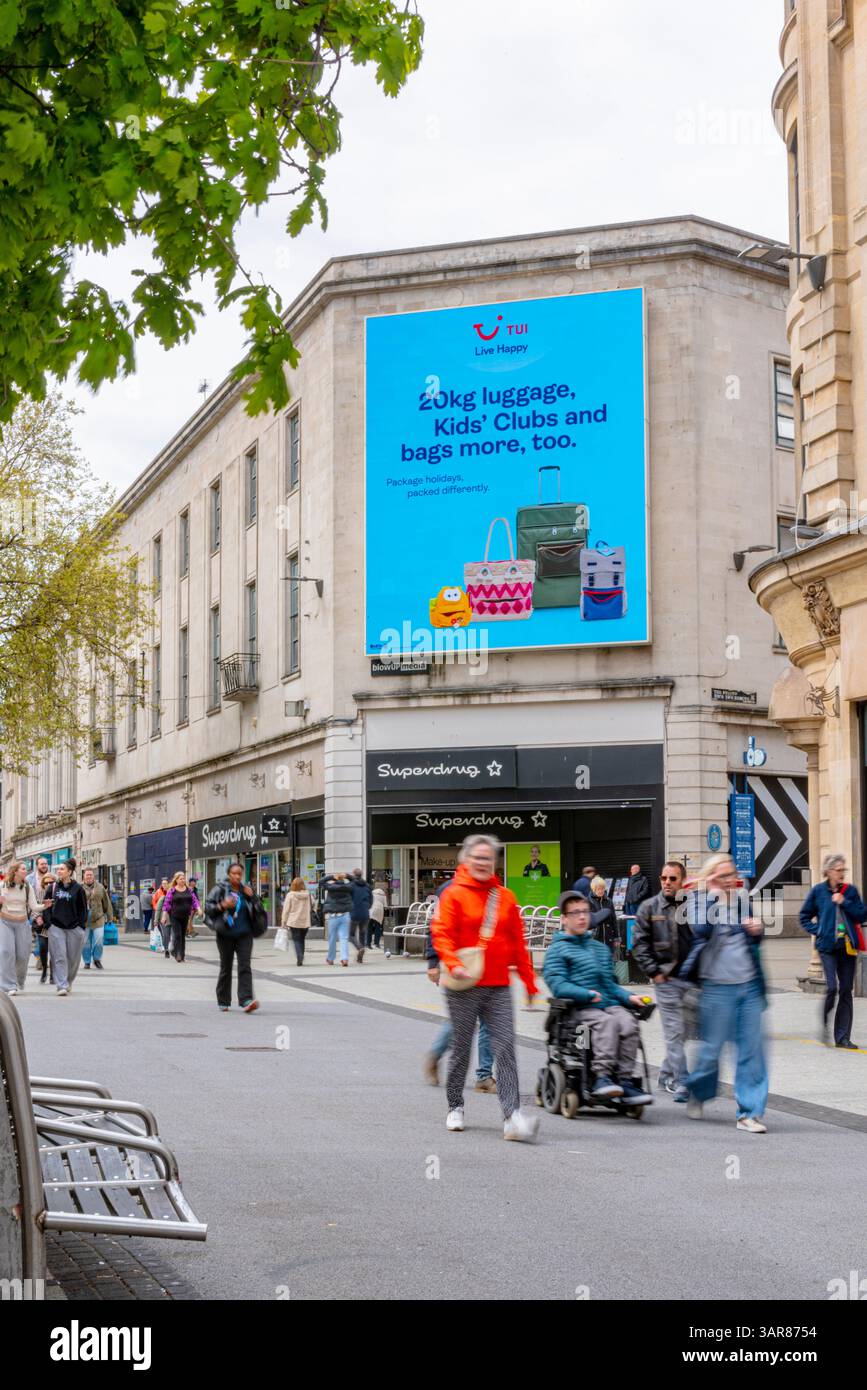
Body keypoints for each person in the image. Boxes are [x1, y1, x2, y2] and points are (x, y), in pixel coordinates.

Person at [431, 833, 540, 1141]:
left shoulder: (505, 897)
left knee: (505, 1049)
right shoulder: (452, 895)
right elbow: (441, 932)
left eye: (487, 858)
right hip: (463, 984)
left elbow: (518, 943)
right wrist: (452, 963)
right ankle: (455, 1105)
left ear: (494, 862)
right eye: (477, 858)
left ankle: (512, 1115)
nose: (482, 863)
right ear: (465, 860)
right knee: (462, 1049)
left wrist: (529, 981)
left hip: (499, 986)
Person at [679, 854, 768, 1132]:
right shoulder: (698, 901)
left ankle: (749, 1113)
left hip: (749, 985)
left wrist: (757, 930)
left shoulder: (742, 900)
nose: (730, 880)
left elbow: (754, 935)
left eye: (732, 875)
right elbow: (700, 931)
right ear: (711, 877)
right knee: (711, 1052)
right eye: (723, 875)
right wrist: (713, 897)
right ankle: (698, 1091)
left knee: (751, 1051)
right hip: (716, 987)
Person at [543, 890, 652, 1103]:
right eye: (575, 913)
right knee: (608, 1022)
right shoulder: (557, 950)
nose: (582, 917)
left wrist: (629, 997)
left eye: (585, 912)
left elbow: (610, 985)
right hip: (577, 1010)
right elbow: (558, 984)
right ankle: (602, 1077)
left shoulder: (600, 949)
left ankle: (625, 1080)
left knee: (628, 1021)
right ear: (564, 918)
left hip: (606, 1004)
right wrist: (584, 994)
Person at [633, 860, 692, 1098]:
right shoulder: (649, 907)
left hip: (690, 980)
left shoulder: (693, 907)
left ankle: (666, 1073)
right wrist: (654, 972)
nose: (666, 883)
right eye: (663, 878)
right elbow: (638, 944)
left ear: (682, 881)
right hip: (665, 979)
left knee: (685, 1031)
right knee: (674, 1032)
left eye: (672, 879)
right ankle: (682, 1082)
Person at [799, 853, 866, 1049]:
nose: (842, 874)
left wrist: (844, 901)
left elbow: (862, 914)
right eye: (839, 871)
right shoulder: (818, 892)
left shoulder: (851, 891)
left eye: (844, 870)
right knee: (832, 988)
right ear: (828, 872)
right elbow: (804, 917)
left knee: (846, 990)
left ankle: (842, 1037)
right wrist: (818, 931)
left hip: (847, 947)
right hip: (827, 947)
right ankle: (825, 1020)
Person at [205, 862, 260, 1013]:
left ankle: (246, 1000)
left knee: (245, 966)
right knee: (226, 966)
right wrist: (223, 905)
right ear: (229, 874)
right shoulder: (219, 889)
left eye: (239, 874)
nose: (237, 876)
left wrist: (253, 897)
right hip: (225, 934)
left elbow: (258, 909)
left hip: (244, 934)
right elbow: (208, 908)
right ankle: (223, 1000)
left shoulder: (246, 891)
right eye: (234, 873)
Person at [0, 860, 43, 995]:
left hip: (23, 923)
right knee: (6, 952)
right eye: (23, 869)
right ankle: (8, 985)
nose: (26, 871)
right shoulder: (3, 885)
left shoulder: (27, 886)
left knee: (23, 955)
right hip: (5, 922)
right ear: (15, 871)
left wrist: (45, 906)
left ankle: (19, 981)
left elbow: (34, 906)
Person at [48, 858, 88, 997]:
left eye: (62, 869)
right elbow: (47, 906)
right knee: (59, 957)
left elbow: (83, 909)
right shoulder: (52, 887)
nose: (59, 871)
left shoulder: (78, 889)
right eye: (58, 869)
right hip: (56, 926)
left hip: (74, 928)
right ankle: (61, 985)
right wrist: (49, 923)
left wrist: (81, 926)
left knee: (73, 958)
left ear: (69, 872)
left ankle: (68, 980)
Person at [160, 872, 201, 962]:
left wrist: (199, 909)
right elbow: (166, 904)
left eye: (183, 878)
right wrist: (164, 916)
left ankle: (182, 955)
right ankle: (178, 954)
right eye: (181, 878)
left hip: (185, 916)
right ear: (176, 880)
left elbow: (195, 901)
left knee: (182, 936)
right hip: (175, 916)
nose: (183, 880)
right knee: (177, 935)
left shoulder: (189, 890)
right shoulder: (172, 891)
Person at [81, 867, 114, 971]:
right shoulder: (79, 888)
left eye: (91, 875)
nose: (89, 876)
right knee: (85, 942)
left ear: (93, 876)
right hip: (84, 920)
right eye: (87, 875)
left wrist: (109, 916)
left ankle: (97, 959)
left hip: (98, 918)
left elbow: (106, 902)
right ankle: (87, 962)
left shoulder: (100, 887)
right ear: (84, 876)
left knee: (99, 939)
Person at [320, 871, 354, 966]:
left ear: (335, 879)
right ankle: (344, 959)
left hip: (334, 916)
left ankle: (330, 959)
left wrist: (331, 876)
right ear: (343, 879)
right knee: (344, 938)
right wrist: (347, 875)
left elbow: (321, 882)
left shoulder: (331, 887)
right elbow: (355, 881)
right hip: (345, 914)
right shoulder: (348, 887)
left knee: (332, 938)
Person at [281, 876, 312, 965]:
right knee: (302, 939)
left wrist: (283, 921)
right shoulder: (307, 894)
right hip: (305, 922)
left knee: (296, 940)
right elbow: (313, 904)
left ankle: (300, 957)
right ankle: (301, 955)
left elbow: (286, 909)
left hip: (294, 922)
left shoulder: (290, 895)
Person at [588, 875, 619, 952]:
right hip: (595, 937)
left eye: (603, 888)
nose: (601, 891)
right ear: (593, 889)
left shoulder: (609, 901)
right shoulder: (588, 902)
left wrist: (616, 937)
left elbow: (614, 919)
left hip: (609, 937)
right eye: (599, 889)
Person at [349, 868, 372, 964]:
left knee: (351, 934)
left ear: (354, 875)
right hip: (365, 913)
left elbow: (349, 898)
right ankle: (360, 958)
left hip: (354, 913)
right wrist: (367, 907)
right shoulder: (367, 886)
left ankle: (360, 947)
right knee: (362, 934)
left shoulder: (351, 885)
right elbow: (371, 900)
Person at [36, 872, 55, 984]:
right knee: (43, 948)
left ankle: (53, 974)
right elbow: (33, 907)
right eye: (46, 882)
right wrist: (38, 917)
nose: (48, 884)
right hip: (43, 926)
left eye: (51, 882)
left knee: (54, 951)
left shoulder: (56, 892)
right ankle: (44, 970)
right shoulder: (39, 893)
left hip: (54, 925)